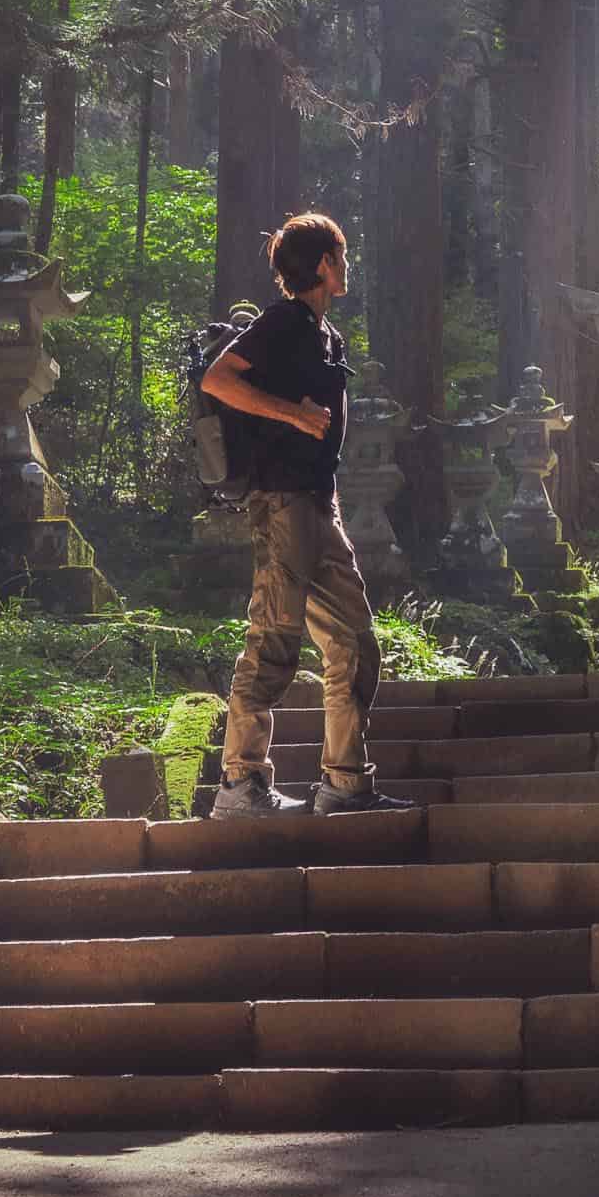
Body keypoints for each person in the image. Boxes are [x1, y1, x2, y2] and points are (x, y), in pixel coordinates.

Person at [201, 212, 412, 818]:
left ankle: (344, 785)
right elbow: (219, 380)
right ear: (324, 263)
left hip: (322, 506)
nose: (348, 266)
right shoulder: (283, 321)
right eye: (342, 255)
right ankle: (240, 786)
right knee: (274, 642)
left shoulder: (325, 335)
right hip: (283, 505)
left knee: (354, 642)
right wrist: (291, 414)